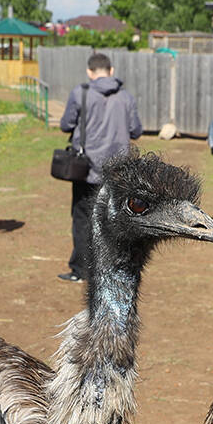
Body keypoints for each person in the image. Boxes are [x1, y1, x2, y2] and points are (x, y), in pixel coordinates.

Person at [56, 52, 143, 283]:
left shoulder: (80, 93)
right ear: (111, 71)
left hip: (86, 170)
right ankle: (115, 268)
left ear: (90, 72)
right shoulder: (126, 98)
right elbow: (136, 130)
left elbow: (66, 124)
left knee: (83, 218)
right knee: (116, 220)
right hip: (119, 171)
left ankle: (81, 270)